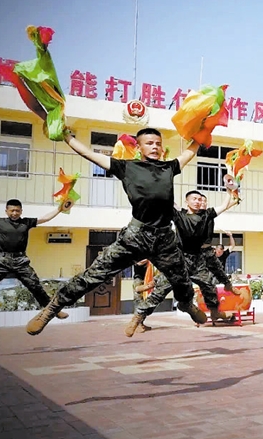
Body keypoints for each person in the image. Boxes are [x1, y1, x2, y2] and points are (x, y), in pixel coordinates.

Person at [26, 128, 206, 336]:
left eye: (158, 143)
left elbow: (190, 151)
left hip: (165, 238)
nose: (155, 147)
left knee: (181, 279)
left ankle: (186, 304)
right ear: (139, 147)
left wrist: (203, 130)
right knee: (94, 275)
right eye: (149, 143)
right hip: (136, 236)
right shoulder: (126, 167)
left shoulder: (169, 167)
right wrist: (66, 135)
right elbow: (88, 153)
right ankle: (51, 309)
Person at [131, 189, 241, 333]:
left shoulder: (207, 214)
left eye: (200, 200)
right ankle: (139, 316)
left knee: (209, 283)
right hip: (180, 259)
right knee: (162, 289)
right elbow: (167, 200)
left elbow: (224, 206)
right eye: (195, 199)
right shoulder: (179, 214)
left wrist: (230, 191)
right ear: (187, 201)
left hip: (198, 258)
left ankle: (215, 309)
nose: (198, 202)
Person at [0, 199, 69, 318]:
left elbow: (44, 218)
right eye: (12, 210)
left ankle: (54, 311)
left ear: (21, 211)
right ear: (6, 211)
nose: (14, 213)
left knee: (35, 286)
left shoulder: (26, 222)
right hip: (2, 260)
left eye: (17, 211)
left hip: (21, 260)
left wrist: (59, 209)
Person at [131, 259, 153, 333]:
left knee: (147, 303)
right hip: (139, 280)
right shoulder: (139, 255)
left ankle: (141, 323)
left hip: (149, 281)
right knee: (139, 302)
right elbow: (139, 263)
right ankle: (137, 324)